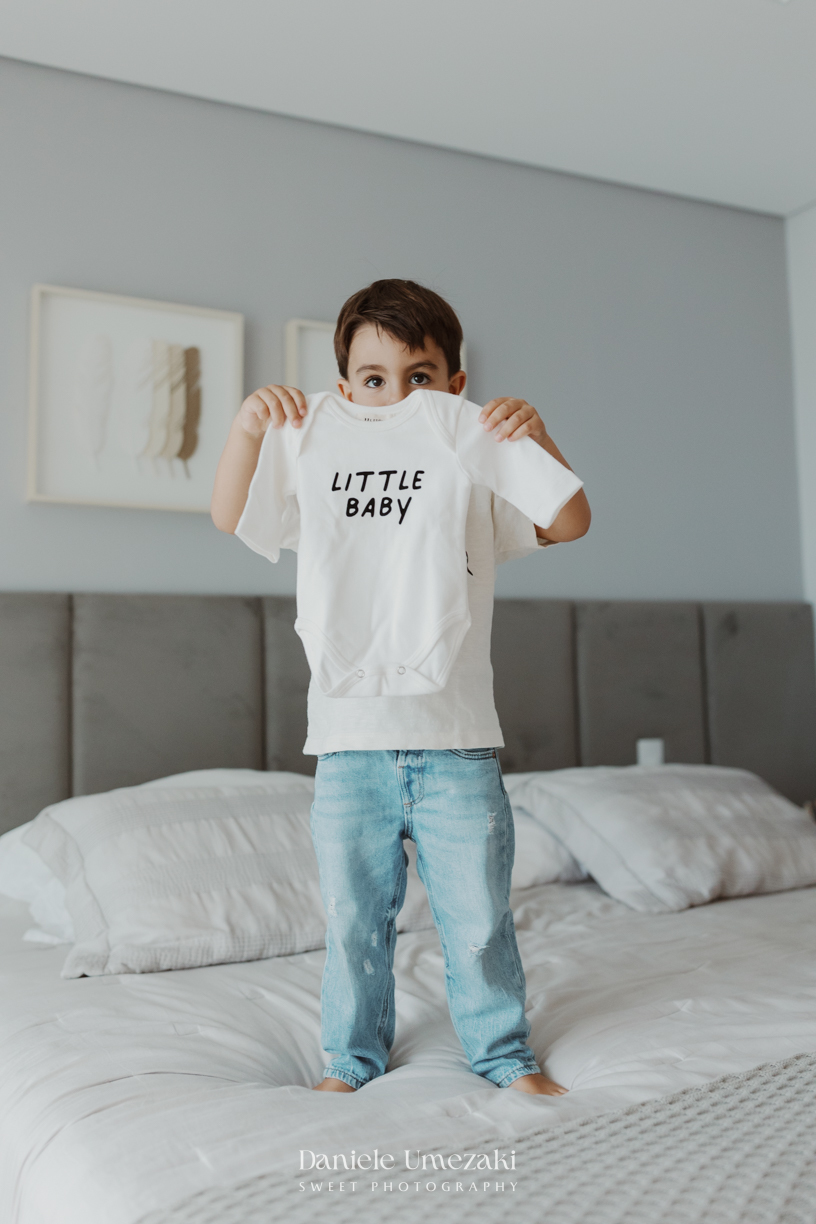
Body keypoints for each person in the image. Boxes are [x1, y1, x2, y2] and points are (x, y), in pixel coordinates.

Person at [212, 280, 590, 1096]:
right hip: (349, 743)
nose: (395, 396)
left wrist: (537, 437)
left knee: (480, 920)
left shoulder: (467, 438)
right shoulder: (312, 437)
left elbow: (570, 520)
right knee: (354, 923)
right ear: (346, 387)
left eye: (419, 377)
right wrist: (248, 431)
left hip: (457, 740)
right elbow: (231, 515)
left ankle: (503, 1054)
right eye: (374, 379)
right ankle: (349, 1061)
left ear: (455, 385)